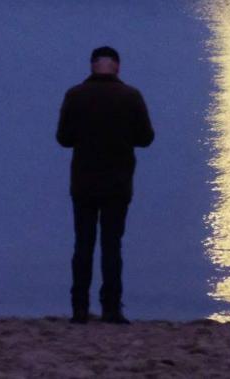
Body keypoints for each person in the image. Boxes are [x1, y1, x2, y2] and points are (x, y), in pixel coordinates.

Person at [55, 46, 154, 324]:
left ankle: (79, 307)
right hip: (118, 181)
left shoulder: (75, 95)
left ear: (92, 66)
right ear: (117, 67)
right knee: (112, 246)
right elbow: (146, 137)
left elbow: (63, 138)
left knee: (83, 244)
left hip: (84, 180)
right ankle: (111, 307)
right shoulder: (131, 97)